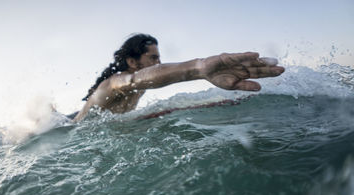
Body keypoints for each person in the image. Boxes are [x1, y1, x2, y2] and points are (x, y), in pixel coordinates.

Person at [72, 33, 284, 122]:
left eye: (160, 59)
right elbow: (133, 80)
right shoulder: (114, 83)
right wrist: (199, 68)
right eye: (153, 58)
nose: (159, 65)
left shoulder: (138, 87)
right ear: (132, 62)